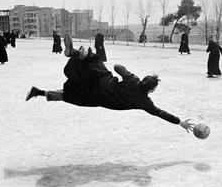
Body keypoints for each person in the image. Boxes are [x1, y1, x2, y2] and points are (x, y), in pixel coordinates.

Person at [25, 34, 195, 133]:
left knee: (95, 63)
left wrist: (127, 74)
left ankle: (75, 56)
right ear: (151, 90)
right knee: (71, 95)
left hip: (103, 81)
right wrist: (179, 122)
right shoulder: (144, 102)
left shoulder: (134, 80)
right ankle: (77, 55)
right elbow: (160, 113)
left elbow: (117, 67)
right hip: (98, 98)